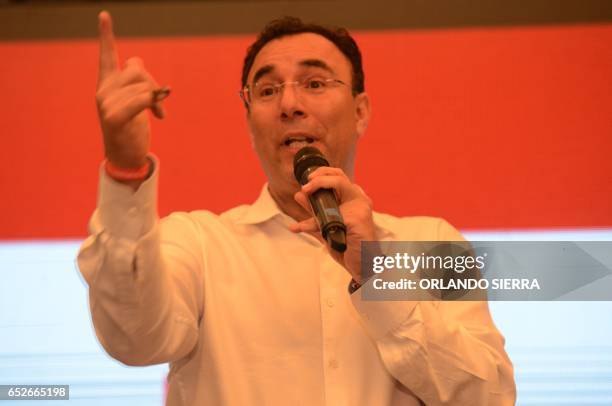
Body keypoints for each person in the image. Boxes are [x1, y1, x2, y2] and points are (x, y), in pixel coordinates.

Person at [78, 10, 516, 406]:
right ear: (249, 120)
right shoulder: (199, 244)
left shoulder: (434, 243)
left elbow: (489, 397)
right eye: (267, 90)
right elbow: (133, 339)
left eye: (315, 84)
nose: (289, 105)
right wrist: (125, 168)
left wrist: (375, 274)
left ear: (361, 111)